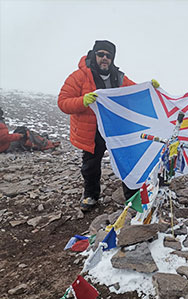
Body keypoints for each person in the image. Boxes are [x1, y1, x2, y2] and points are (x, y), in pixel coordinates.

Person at [57, 40, 159, 212]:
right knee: (91, 165)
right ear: (94, 54)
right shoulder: (79, 76)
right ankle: (91, 195)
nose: (104, 58)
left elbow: (133, 92)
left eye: (108, 56)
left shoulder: (118, 77)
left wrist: (149, 88)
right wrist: (83, 101)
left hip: (116, 129)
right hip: (92, 131)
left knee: (126, 161)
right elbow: (63, 102)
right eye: (101, 54)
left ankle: (132, 196)